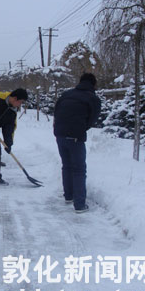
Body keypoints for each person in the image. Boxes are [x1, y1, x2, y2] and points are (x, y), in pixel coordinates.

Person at [53, 73, 101, 214]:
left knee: (66, 165)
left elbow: (56, 112)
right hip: (75, 137)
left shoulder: (66, 94)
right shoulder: (93, 98)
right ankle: (79, 204)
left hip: (59, 134)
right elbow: (92, 120)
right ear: (93, 84)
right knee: (79, 169)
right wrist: (80, 128)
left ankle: (69, 196)